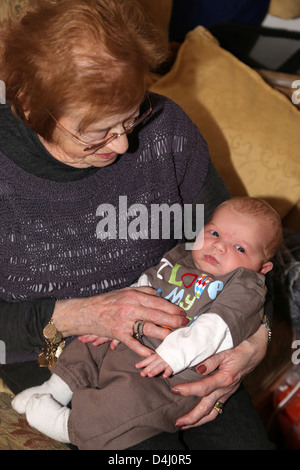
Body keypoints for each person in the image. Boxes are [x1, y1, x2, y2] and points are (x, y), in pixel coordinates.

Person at [0, 0, 274, 450]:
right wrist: (83, 313)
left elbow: (244, 244)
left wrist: (254, 341)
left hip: (186, 334)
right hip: (62, 358)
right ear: (30, 105)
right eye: (98, 132)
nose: (125, 144)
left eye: (132, 116)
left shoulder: (166, 131)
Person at [11, 196, 282, 449]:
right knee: (87, 345)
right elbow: (146, 283)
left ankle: (67, 427)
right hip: (133, 339)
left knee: (127, 404)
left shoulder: (244, 285)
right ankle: (54, 390)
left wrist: (172, 356)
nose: (219, 246)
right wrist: (120, 318)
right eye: (214, 233)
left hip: (169, 375)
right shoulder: (182, 256)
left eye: (240, 248)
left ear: (262, 269)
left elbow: (214, 328)